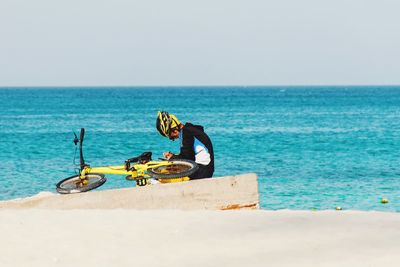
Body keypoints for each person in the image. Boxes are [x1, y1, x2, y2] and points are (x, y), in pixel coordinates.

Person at [156, 111, 214, 179]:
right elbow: (189, 155)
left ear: (175, 131)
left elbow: (187, 158)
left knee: (168, 171)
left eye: (170, 137)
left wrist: (172, 157)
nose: (172, 139)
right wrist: (174, 156)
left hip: (202, 171)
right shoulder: (190, 129)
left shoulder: (186, 133)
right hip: (206, 169)